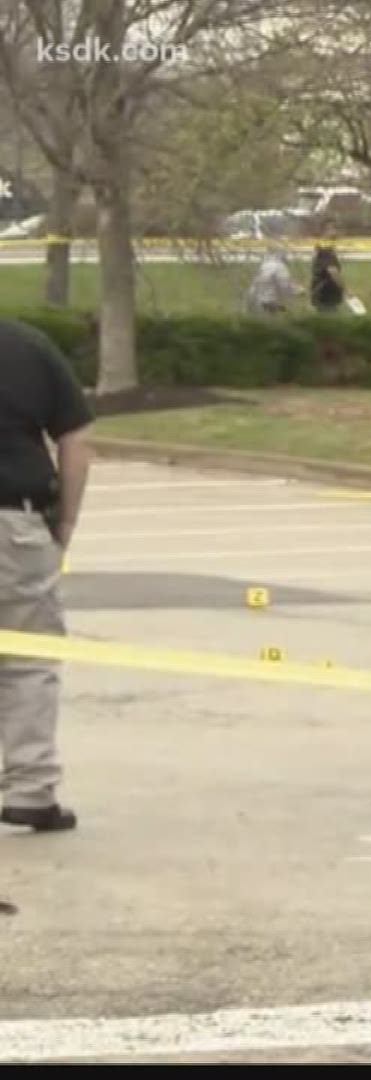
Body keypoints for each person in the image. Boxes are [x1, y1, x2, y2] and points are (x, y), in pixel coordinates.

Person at [0, 317, 92, 831]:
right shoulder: (25, 345)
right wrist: (66, 521)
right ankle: (31, 790)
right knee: (27, 660)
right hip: (14, 518)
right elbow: (77, 438)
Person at [244, 246, 298, 315]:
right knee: (284, 313)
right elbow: (284, 284)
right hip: (270, 299)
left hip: (258, 298)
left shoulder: (265, 265)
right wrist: (296, 291)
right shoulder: (280, 266)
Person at [310, 239, 345, 314]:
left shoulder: (318, 259)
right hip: (328, 290)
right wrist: (344, 288)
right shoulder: (329, 259)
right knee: (331, 311)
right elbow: (334, 272)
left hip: (318, 290)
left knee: (321, 311)